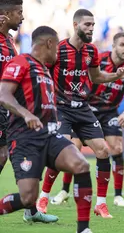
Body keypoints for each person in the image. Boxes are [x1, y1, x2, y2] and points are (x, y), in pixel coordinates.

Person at [35, 9, 124, 218]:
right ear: (75, 25)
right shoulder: (59, 49)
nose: (91, 28)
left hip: (82, 108)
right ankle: (43, 197)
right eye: (87, 25)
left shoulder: (92, 51)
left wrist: (115, 76)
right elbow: (42, 73)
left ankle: (100, 204)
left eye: (93, 25)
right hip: (61, 108)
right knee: (62, 151)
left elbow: (97, 77)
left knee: (103, 151)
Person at [0, 26, 95, 233]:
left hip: (50, 136)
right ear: (50, 44)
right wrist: (25, 114)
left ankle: (84, 230)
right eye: (56, 46)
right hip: (25, 139)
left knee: (81, 165)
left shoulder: (45, 69)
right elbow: (3, 95)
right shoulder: (21, 62)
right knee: (28, 198)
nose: (58, 52)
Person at [0, 0, 24, 175]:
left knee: (3, 154)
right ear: (6, 14)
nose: (22, 17)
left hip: (4, 107)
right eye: (19, 12)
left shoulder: (9, 41)